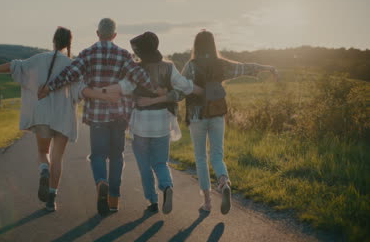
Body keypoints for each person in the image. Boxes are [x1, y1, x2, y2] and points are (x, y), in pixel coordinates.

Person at [38, 18, 161, 215]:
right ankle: (113, 200)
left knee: (98, 155)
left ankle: (100, 182)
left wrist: (49, 87)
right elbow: (139, 76)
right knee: (117, 157)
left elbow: (69, 74)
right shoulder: (123, 55)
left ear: (97, 33)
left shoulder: (87, 54)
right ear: (114, 35)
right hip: (119, 115)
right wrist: (156, 89)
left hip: (97, 116)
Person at [83, 32, 204, 214]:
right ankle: (167, 186)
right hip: (163, 122)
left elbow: (124, 87)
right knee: (161, 162)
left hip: (141, 123)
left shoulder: (136, 69)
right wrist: (202, 91)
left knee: (144, 166)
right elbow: (184, 86)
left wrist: (101, 90)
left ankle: (153, 202)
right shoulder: (169, 67)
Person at [0, 27, 82, 212]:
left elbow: (14, 66)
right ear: (69, 43)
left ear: (54, 40)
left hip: (41, 114)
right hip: (63, 116)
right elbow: (80, 92)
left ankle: (43, 170)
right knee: (58, 159)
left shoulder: (39, 59)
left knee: (43, 151)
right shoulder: (72, 64)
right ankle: (51, 200)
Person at [182, 30, 278, 214]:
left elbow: (179, 86)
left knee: (201, 158)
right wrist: (268, 67)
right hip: (217, 113)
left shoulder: (191, 65)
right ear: (213, 44)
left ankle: (208, 203)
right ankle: (224, 182)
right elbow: (245, 67)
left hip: (196, 115)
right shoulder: (222, 65)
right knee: (217, 155)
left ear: (196, 45)